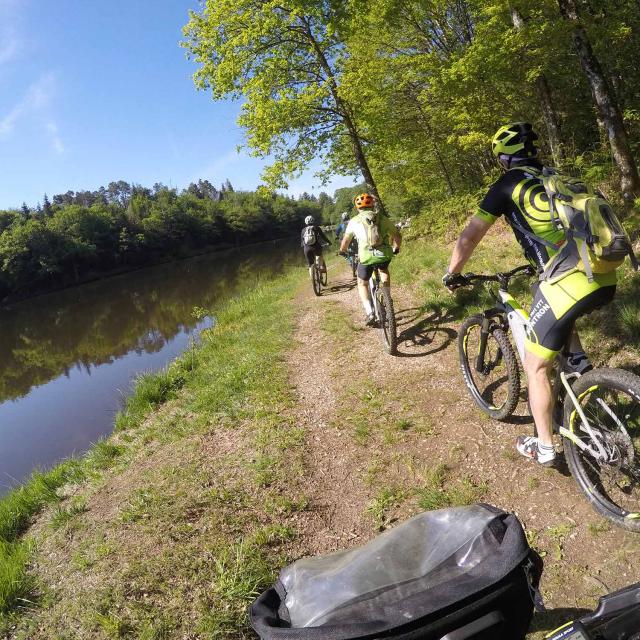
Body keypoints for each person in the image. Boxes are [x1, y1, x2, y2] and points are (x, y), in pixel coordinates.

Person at [443, 122, 617, 467]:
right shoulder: (556, 178)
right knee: (564, 332)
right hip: (602, 273)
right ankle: (588, 397)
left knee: (535, 366)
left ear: (503, 158)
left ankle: (546, 446)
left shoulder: (507, 184)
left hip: (566, 280)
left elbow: (470, 236)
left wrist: (453, 273)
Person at [339, 193, 402, 325]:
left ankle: (369, 312)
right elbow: (397, 235)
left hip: (366, 257)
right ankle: (387, 296)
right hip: (384, 255)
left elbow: (345, 241)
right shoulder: (382, 218)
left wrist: (342, 251)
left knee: (362, 283)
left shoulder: (354, 221)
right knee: (383, 270)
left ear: (357, 208)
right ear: (372, 204)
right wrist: (396, 248)